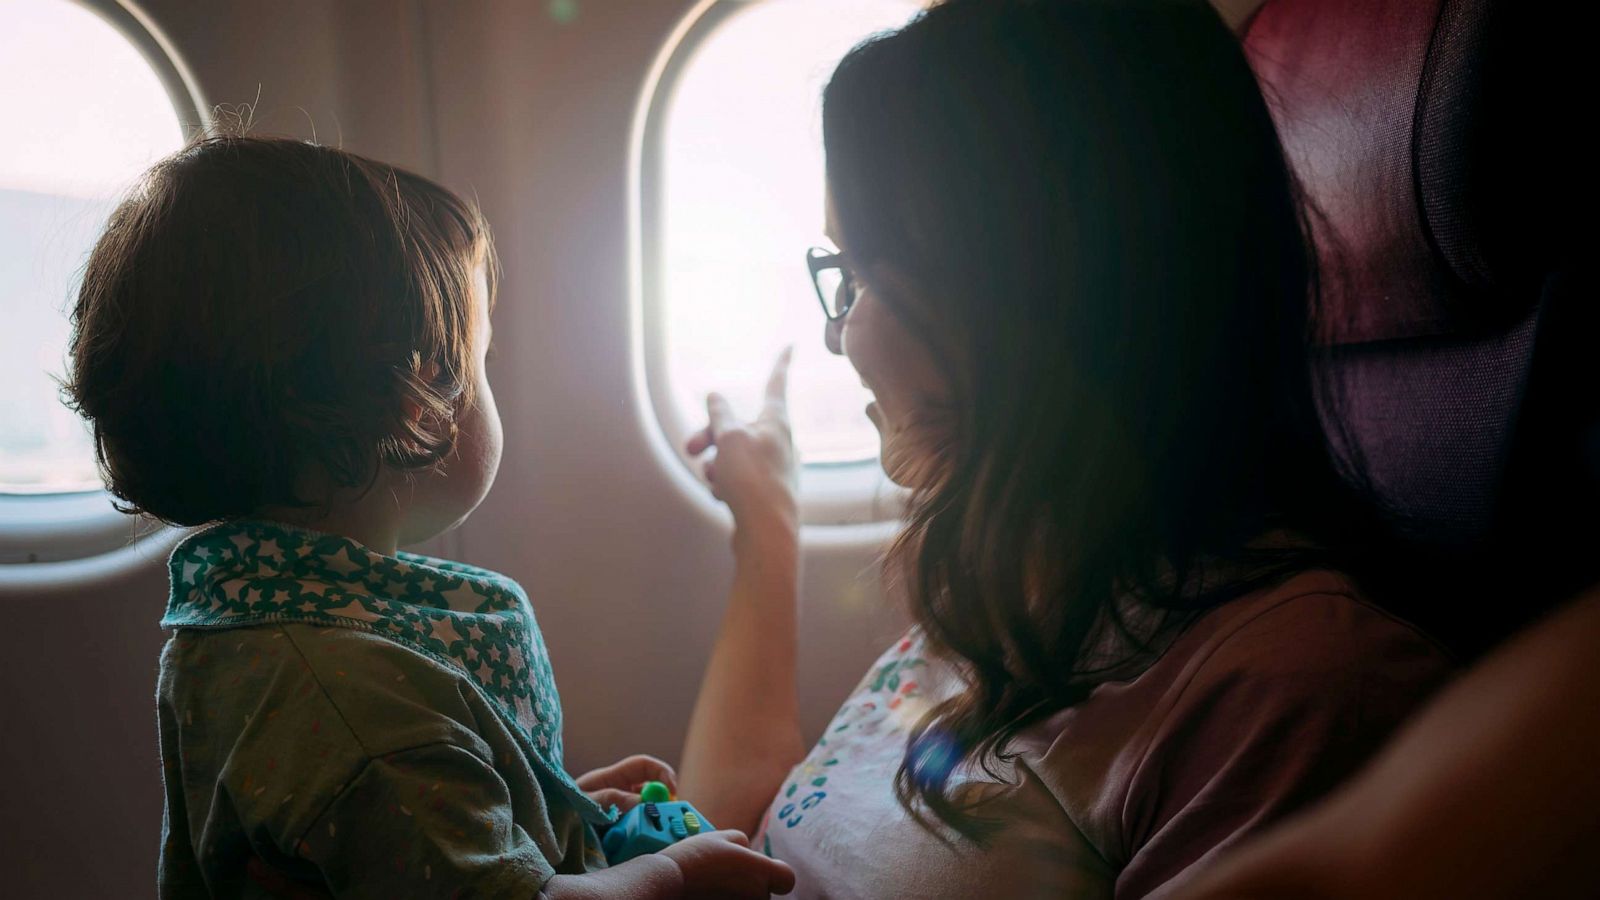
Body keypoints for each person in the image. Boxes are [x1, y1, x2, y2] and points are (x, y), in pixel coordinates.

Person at [674, 1, 1454, 897]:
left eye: (858, 278)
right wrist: (767, 522)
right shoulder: (1017, 585)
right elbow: (750, 856)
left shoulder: (1289, 692)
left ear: (1018, 300)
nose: (837, 337)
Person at [64, 134, 793, 899]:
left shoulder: (258, 624)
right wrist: (671, 874)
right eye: (482, 361)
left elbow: (401, 848)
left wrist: (549, 811)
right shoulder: (349, 696)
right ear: (417, 405)